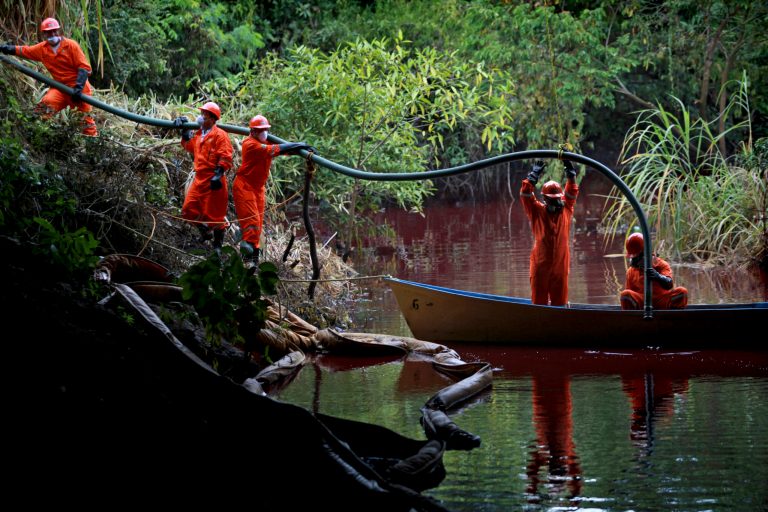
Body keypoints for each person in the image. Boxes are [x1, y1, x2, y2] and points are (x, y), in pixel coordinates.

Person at [233, 115, 315, 263]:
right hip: (244, 186)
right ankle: (247, 261)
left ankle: (254, 261)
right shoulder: (251, 144)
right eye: (260, 130)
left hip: (258, 188)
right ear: (253, 131)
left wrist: (304, 151)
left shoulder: (265, 141)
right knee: (251, 223)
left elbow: (284, 150)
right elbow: (277, 148)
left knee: (257, 225)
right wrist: (299, 144)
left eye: (266, 129)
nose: (264, 133)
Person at [1, 17, 98, 136]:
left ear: (58, 31)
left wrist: (78, 89)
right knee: (44, 107)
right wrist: (6, 48)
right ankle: (35, 135)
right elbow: (25, 50)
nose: (52, 33)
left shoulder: (71, 45)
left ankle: (92, 143)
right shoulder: (42, 49)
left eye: (54, 31)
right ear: (44, 34)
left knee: (86, 123)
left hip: (79, 90)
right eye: (48, 32)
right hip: (60, 88)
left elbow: (84, 68)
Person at [173, 102, 233, 253]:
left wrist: (218, 174)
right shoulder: (199, 135)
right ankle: (205, 233)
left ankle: (217, 247)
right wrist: (184, 132)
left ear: (213, 119)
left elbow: (226, 155)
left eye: (205, 116)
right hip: (199, 179)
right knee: (188, 210)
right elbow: (188, 146)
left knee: (216, 216)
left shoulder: (220, 135)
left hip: (214, 180)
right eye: (201, 115)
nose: (201, 118)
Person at [520, 160, 579, 306]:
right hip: (540, 265)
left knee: (560, 304)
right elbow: (525, 194)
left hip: (560, 265)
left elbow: (572, 192)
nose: (555, 203)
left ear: (560, 198)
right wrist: (533, 176)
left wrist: (571, 174)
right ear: (545, 199)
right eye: (552, 200)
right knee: (539, 304)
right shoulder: (537, 211)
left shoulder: (566, 209)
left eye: (557, 199)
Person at [619, 233, 688, 310]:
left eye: (635, 256)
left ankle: (673, 317)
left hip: (662, 299)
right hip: (642, 302)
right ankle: (634, 319)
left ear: (644, 253)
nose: (632, 260)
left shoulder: (661, 264)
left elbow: (669, 284)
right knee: (625, 295)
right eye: (631, 257)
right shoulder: (631, 271)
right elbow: (629, 292)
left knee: (682, 292)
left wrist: (657, 276)